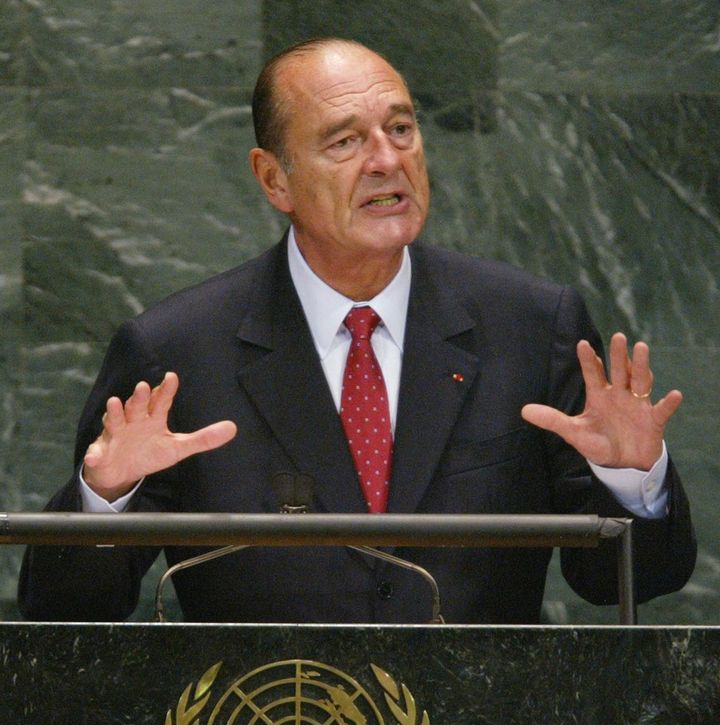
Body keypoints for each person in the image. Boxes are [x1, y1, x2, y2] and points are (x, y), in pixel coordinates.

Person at [18, 38, 695, 623]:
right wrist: (104, 502)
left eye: (401, 129)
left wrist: (632, 481)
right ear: (274, 179)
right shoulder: (176, 352)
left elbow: (622, 583)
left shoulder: (531, 325)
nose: (386, 159)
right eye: (345, 141)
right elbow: (63, 608)